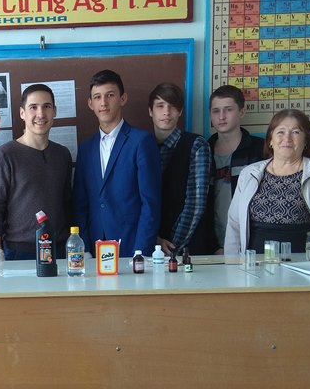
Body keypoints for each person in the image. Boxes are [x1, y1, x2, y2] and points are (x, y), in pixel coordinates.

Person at [225, 109, 310, 257]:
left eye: (296, 132)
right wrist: (232, 264)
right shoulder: (249, 173)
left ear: (306, 141)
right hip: (255, 263)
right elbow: (234, 224)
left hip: (305, 263)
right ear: (270, 140)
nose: (287, 138)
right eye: (280, 132)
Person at [72, 69, 161, 257]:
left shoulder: (141, 141)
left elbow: (150, 203)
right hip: (94, 248)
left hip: (131, 246)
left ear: (123, 99)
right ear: (90, 104)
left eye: (110, 95)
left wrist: (141, 252)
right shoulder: (86, 148)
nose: (103, 103)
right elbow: (80, 204)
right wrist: (85, 249)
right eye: (97, 97)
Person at [0, 83, 72, 273]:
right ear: (22, 113)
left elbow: (68, 203)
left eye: (46, 106)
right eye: (33, 107)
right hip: (19, 253)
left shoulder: (62, 154)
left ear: (54, 111)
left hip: (59, 251)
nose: (40, 114)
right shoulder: (4, 155)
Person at [149, 82, 214, 255]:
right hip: (151, 245)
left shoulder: (196, 145)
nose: (166, 112)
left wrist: (172, 248)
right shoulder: (143, 146)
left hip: (186, 249)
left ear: (180, 111)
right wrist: (154, 240)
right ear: (150, 111)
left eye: (172, 106)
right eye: (160, 106)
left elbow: (195, 204)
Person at [206, 85, 264, 251]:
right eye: (216, 111)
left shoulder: (260, 150)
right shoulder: (203, 151)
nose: (221, 116)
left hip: (250, 244)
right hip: (211, 245)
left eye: (228, 110)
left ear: (242, 112)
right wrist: (212, 245)